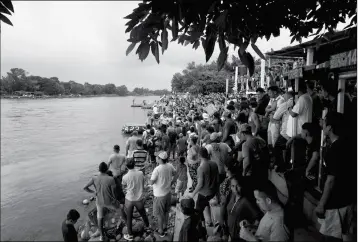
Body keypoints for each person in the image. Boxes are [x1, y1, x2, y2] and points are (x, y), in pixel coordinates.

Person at [315, 112, 356, 242]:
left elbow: (331, 180)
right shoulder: (349, 144)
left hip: (336, 201)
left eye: (324, 122)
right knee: (347, 234)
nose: (322, 124)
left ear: (330, 127)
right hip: (349, 198)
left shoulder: (334, 150)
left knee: (330, 237)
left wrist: (321, 204)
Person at [83, 162, 126, 241]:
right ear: (107, 169)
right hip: (109, 201)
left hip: (99, 201)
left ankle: (102, 236)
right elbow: (114, 193)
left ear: (99, 170)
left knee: (100, 218)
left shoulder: (94, 178)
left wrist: (93, 192)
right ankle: (127, 224)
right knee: (120, 210)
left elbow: (85, 188)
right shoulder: (111, 179)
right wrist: (116, 200)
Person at [220, 176, 261, 242]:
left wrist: (251, 227)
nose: (235, 189)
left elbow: (257, 217)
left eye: (238, 186)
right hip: (229, 235)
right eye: (233, 186)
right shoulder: (231, 196)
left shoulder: (245, 201)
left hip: (239, 238)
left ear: (242, 186)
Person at [190, 147, 219, 227]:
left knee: (198, 211)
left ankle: (202, 228)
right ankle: (210, 221)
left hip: (204, 194)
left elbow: (200, 184)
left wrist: (193, 194)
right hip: (212, 192)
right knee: (207, 205)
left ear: (199, 156)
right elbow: (217, 180)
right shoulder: (214, 164)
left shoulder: (201, 168)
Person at [122, 159, 150, 241]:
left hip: (129, 199)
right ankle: (147, 227)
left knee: (129, 217)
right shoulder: (140, 173)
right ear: (134, 164)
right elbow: (143, 183)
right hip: (139, 199)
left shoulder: (125, 177)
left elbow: (123, 187)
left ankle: (130, 235)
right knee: (143, 214)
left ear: (126, 166)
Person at [239, 124, 269, 201]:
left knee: (253, 195)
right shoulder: (261, 140)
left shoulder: (245, 145)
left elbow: (247, 161)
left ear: (243, 133)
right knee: (263, 191)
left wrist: (244, 173)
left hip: (252, 173)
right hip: (263, 170)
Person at [149, 151, 176, 237]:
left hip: (159, 195)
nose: (156, 158)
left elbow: (151, 182)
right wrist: (172, 182)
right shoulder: (170, 165)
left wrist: (149, 180)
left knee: (160, 214)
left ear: (160, 159)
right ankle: (165, 227)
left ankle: (161, 231)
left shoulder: (157, 169)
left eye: (157, 157)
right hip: (168, 193)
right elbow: (176, 174)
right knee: (166, 211)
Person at [272, 88, 294, 171]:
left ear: (288, 94)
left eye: (284, 94)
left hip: (286, 132)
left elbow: (275, 117)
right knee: (287, 149)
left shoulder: (286, 104)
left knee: (277, 148)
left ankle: (281, 166)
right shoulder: (299, 101)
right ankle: (286, 165)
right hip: (297, 131)